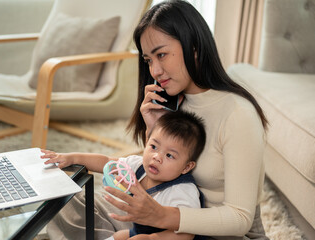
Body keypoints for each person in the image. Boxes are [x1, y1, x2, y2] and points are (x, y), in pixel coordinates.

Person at [47, 0, 269, 239]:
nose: (154, 71)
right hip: (157, 222)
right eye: (149, 60)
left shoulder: (238, 114)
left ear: (193, 46)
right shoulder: (173, 101)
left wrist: (160, 215)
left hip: (211, 234)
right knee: (61, 199)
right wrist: (153, 129)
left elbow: (240, 220)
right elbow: (158, 173)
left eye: (161, 55)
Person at [43, 110, 206, 240]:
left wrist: (151, 239)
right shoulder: (138, 165)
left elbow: (186, 233)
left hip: (153, 235)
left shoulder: (182, 191)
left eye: (169, 155)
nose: (157, 157)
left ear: (186, 167)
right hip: (126, 224)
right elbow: (107, 161)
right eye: (154, 147)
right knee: (69, 199)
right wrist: (72, 157)